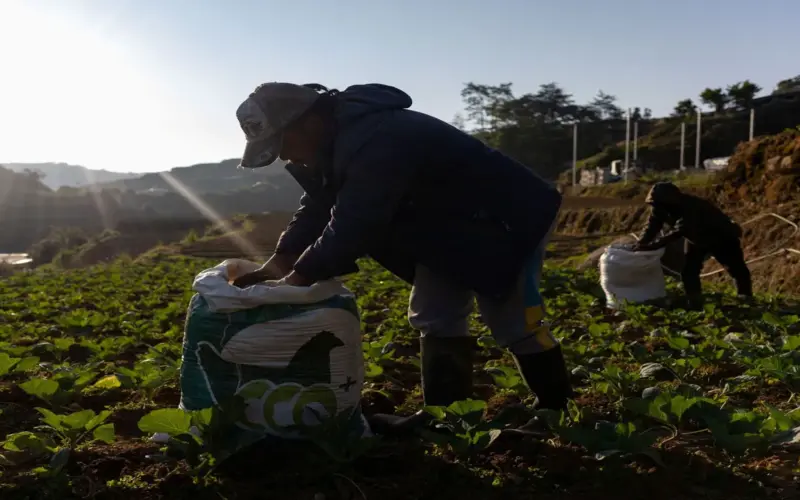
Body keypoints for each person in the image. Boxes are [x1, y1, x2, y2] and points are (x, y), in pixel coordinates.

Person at [231, 82, 572, 434]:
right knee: (435, 314)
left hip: (507, 219)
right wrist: (282, 259)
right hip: (450, 226)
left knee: (513, 318)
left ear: (309, 122)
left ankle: (555, 412)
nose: (285, 157)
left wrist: (299, 277)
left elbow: (356, 222)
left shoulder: (377, 138)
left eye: (283, 144)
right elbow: (319, 204)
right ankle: (445, 418)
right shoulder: (335, 143)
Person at [632, 182, 752, 308]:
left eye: (660, 204)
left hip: (721, 236)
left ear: (670, 201)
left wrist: (655, 245)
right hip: (696, 239)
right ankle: (695, 302)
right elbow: (651, 226)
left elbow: (680, 230)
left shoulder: (691, 206)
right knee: (689, 272)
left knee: (736, 269)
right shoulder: (659, 208)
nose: (657, 207)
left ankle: (746, 299)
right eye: (655, 204)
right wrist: (641, 243)